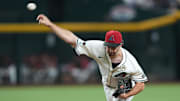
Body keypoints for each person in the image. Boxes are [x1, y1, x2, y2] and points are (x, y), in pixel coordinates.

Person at [36, 14, 148, 101]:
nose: (111, 50)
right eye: (109, 46)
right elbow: (72, 39)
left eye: (115, 47)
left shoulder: (130, 62)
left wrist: (127, 94)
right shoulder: (98, 47)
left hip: (124, 84)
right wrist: (50, 24)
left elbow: (141, 84)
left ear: (121, 45)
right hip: (108, 84)